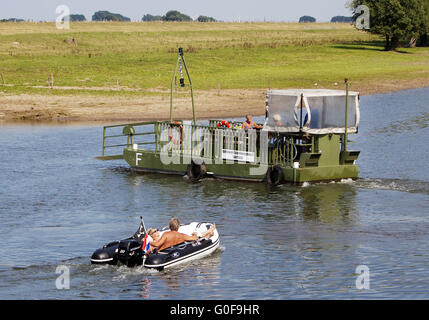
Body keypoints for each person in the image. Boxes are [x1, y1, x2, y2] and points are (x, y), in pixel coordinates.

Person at [149, 218, 216, 252]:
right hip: (171, 252)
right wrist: (195, 234)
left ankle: (208, 233)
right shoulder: (182, 236)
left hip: (164, 253)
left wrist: (149, 242)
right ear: (178, 227)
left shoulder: (166, 234)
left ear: (169, 227)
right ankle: (209, 233)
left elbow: (157, 244)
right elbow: (195, 238)